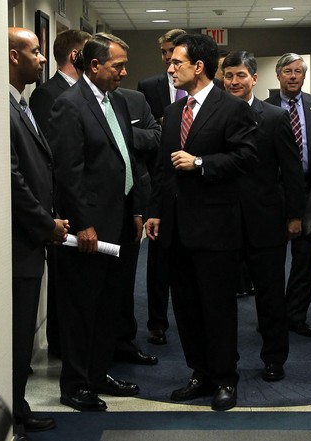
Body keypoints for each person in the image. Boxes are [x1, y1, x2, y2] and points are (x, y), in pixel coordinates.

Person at [145, 34, 257, 411]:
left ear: (199, 67)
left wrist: (201, 163)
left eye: (177, 62)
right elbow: (163, 169)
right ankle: (200, 373)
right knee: (187, 307)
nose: (170, 68)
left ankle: (225, 378)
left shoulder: (232, 108)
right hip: (176, 227)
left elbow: (245, 158)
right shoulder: (174, 111)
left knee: (218, 308)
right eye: (170, 62)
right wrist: (156, 211)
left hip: (215, 228)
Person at [49, 33, 144, 411]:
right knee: (81, 309)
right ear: (94, 66)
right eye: (117, 65)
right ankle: (75, 385)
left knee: (108, 304)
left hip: (118, 219)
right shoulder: (69, 105)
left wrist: (135, 209)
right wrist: (83, 223)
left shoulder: (116, 100)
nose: (124, 71)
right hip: (88, 229)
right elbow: (68, 172)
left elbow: (126, 158)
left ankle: (98, 372)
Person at [222, 51, 306, 382]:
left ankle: (274, 358)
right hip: (224, 221)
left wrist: (295, 215)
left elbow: (291, 170)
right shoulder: (215, 115)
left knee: (270, 297)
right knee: (223, 296)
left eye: (240, 75)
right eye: (228, 76)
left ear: (254, 79)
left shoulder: (273, 117)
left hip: (266, 221)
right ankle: (225, 359)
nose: (234, 82)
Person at [8, 27, 69, 439]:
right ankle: (12, 411)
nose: (42, 58)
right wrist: (45, 224)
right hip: (18, 243)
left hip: (28, 240)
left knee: (23, 336)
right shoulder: (3, 108)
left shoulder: (22, 104)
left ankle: (18, 405)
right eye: (35, 52)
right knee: (15, 337)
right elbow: (14, 181)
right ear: (14, 57)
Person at [28, 29, 90, 359]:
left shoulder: (83, 92)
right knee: (62, 280)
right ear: (75, 55)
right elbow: (49, 154)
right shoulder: (47, 94)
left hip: (72, 197)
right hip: (57, 200)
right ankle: (61, 344)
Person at [265, 53, 311, 338]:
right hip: (274, 192)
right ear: (278, 75)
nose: (293, 76)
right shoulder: (263, 108)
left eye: (298, 72)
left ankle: (296, 316)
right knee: (272, 260)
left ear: (305, 77)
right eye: (287, 72)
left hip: (310, 191)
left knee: (305, 259)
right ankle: (272, 315)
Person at [137, 28, 187, 346]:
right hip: (161, 180)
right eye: (165, 52)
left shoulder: (205, 89)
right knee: (158, 260)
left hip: (196, 184)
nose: (169, 58)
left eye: (174, 51)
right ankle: (157, 322)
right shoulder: (148, 87)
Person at [111, 87, 161, 366]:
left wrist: (122, 134)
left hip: (134, 204)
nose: (122, 72)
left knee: (127, 278)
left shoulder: (134, 99)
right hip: (98, 209)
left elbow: (155, 136)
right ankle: (101, 348)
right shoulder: (74, 102)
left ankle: (124, 341)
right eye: (116, 65)